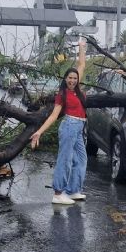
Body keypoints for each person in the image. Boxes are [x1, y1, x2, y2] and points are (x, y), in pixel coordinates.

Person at [30, 38, 87, 204]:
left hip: (79, 128)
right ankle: (58, 193)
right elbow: (54, 115)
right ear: (65, 79)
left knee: (81, 159)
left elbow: (81, 64)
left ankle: (74, 190)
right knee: (65, 159)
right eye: (69, 78)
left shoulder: (77, 90)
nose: (72, 80)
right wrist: (39, 132)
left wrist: (81, 47)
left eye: (74, 78)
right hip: (69, 126)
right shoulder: (62, 94)